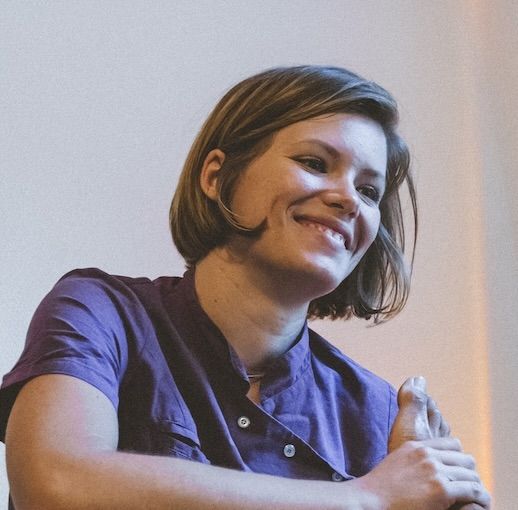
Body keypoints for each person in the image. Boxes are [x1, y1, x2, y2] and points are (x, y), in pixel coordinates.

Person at [0, 65, 490, 509]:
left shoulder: (378, 411)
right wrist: (364, 499)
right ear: (217, 177)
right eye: (315, 163)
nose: (348, 199)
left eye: (368, 191)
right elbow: (55, 485)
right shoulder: (100, 313)